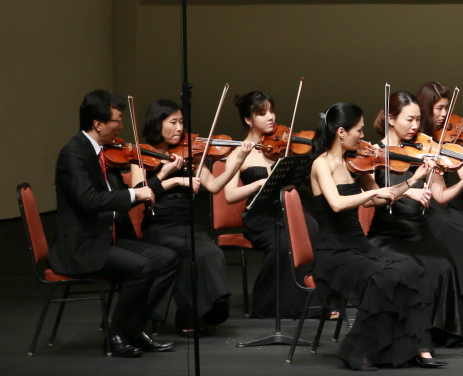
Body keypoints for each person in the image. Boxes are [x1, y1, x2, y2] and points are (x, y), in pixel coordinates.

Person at [303, 102, 442, 370]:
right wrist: (372, 193)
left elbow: (380, 198)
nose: (363, 136)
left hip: (359, 245)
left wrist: (414, 180)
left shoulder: (355, 163)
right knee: (382, 279)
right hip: (334, 252)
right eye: (359, 130)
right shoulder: (321, 164)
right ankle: (358, 351)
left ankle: (418, 347)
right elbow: (337, 204)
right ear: (341, 132)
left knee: (412, 270)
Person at [50, 91, 179, 358]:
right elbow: (90, 200)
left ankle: (134, 327)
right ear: (98, 124)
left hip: (108, 238)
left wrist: (160, 179)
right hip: (83, 245)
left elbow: (124, 197)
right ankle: (117, 332)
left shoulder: (106, 153)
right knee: (142, 267)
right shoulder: (73, 154)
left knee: (167, 259)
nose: (121, 127)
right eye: (117, 121)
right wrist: (134, 194)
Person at [367, 91, 463, 348]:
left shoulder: (424, 150)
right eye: (409, 119)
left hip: (418, 230)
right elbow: (369, 198)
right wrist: (408, 189)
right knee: (410, 267)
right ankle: (409, 335)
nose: (415, 126)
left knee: (443, 265)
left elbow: (440, 196)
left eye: (418, 120)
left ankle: (437, 332)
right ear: (391, 119)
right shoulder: (374, 153)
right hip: (388, 234)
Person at [134, 98, 237, 334]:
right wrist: (171, 176)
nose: (180, 128)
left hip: (186, 223)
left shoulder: (189, 152)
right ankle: (189, 316)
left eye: (181, 122)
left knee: (212, 253)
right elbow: (140, 192)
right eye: (173, 122)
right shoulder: (141, 154)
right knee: (188, 254)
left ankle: (209, 311)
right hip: (159, 226)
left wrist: (237, 161)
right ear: (157, 123)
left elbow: (214, 186)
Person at [222, 90, 313, 320]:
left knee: (313, 229)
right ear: (248, 120)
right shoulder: (238, 154)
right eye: (262, 113)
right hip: (260, 218)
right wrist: (259, 183)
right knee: (282, 245)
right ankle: (269, 304)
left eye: (271, 111)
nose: (271, 117)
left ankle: (310, 301)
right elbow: (230, 195)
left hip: (288, 212)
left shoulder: (282, 146)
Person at [415, 79, 463, 295]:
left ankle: (459, 292)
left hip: (445, 202)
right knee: (446, 228)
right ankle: (444, 291)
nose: (444, 114)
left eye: (446, 108)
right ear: (426, 108)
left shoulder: (447, 137)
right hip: (423, 202)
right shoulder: (416, 137)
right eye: (439, 108)